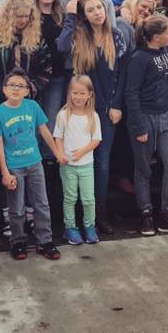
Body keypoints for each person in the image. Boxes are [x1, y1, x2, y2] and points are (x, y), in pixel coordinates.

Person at [57, 0, 126, 235]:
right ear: (84, 17)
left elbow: (121, 73)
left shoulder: (115, 36)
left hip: (107, 110)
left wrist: (117, 104)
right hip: (80, 109)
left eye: (100, 8)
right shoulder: (78, 35)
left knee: (102, 162)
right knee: (77, 159)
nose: (97, 12)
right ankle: (73, 216)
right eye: (91, 10)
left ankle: (98, 213)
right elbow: (62, 46)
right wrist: (70, 16)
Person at [123, 14, 168, 236]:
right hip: (144, 117)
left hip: (166, 116)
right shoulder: (139, 58)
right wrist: (139, 126)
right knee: (143, 168)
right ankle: (146, 214)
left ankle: (167, 213)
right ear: (156, 36)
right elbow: (131, 93)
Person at [0, 68, 66, 260]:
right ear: (4, 89)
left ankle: (45, 241)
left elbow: (45, 132)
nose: (16, 89)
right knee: (16, 208)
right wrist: (5, 173)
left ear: (27, 90)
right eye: (12, 85)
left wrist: (57, 152)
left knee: (41, 203)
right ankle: (18, 241)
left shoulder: (33, 107)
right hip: (14, 167)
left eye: (21, 86)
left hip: (35, 163)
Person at [54, 75, 102, 245]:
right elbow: (58, 137)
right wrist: (60, 153)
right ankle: (70, 228)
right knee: (70, 198)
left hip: (86, 165)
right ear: (69, 93)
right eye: (75, 93)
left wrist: (82, 152)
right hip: (68, 166)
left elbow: (96, 139)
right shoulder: (63, 115)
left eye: (82, 93)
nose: (78, 97)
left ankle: (89, 226)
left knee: (88, 198)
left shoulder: (93, 116)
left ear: (90, 94)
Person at [0, 0, 51, 105]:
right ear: (9, 14)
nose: (23, 20)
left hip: (28, 101)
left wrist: (29, 90)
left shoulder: (37, 38)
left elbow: (46, 70)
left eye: (26, 16)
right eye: (18, 16)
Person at [31, 0, 68, 145]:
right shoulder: (29, 15)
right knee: (33, 122)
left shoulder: (62, 14)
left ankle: (49, 162)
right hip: (34, 77)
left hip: (57, 77)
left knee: (51, 122)